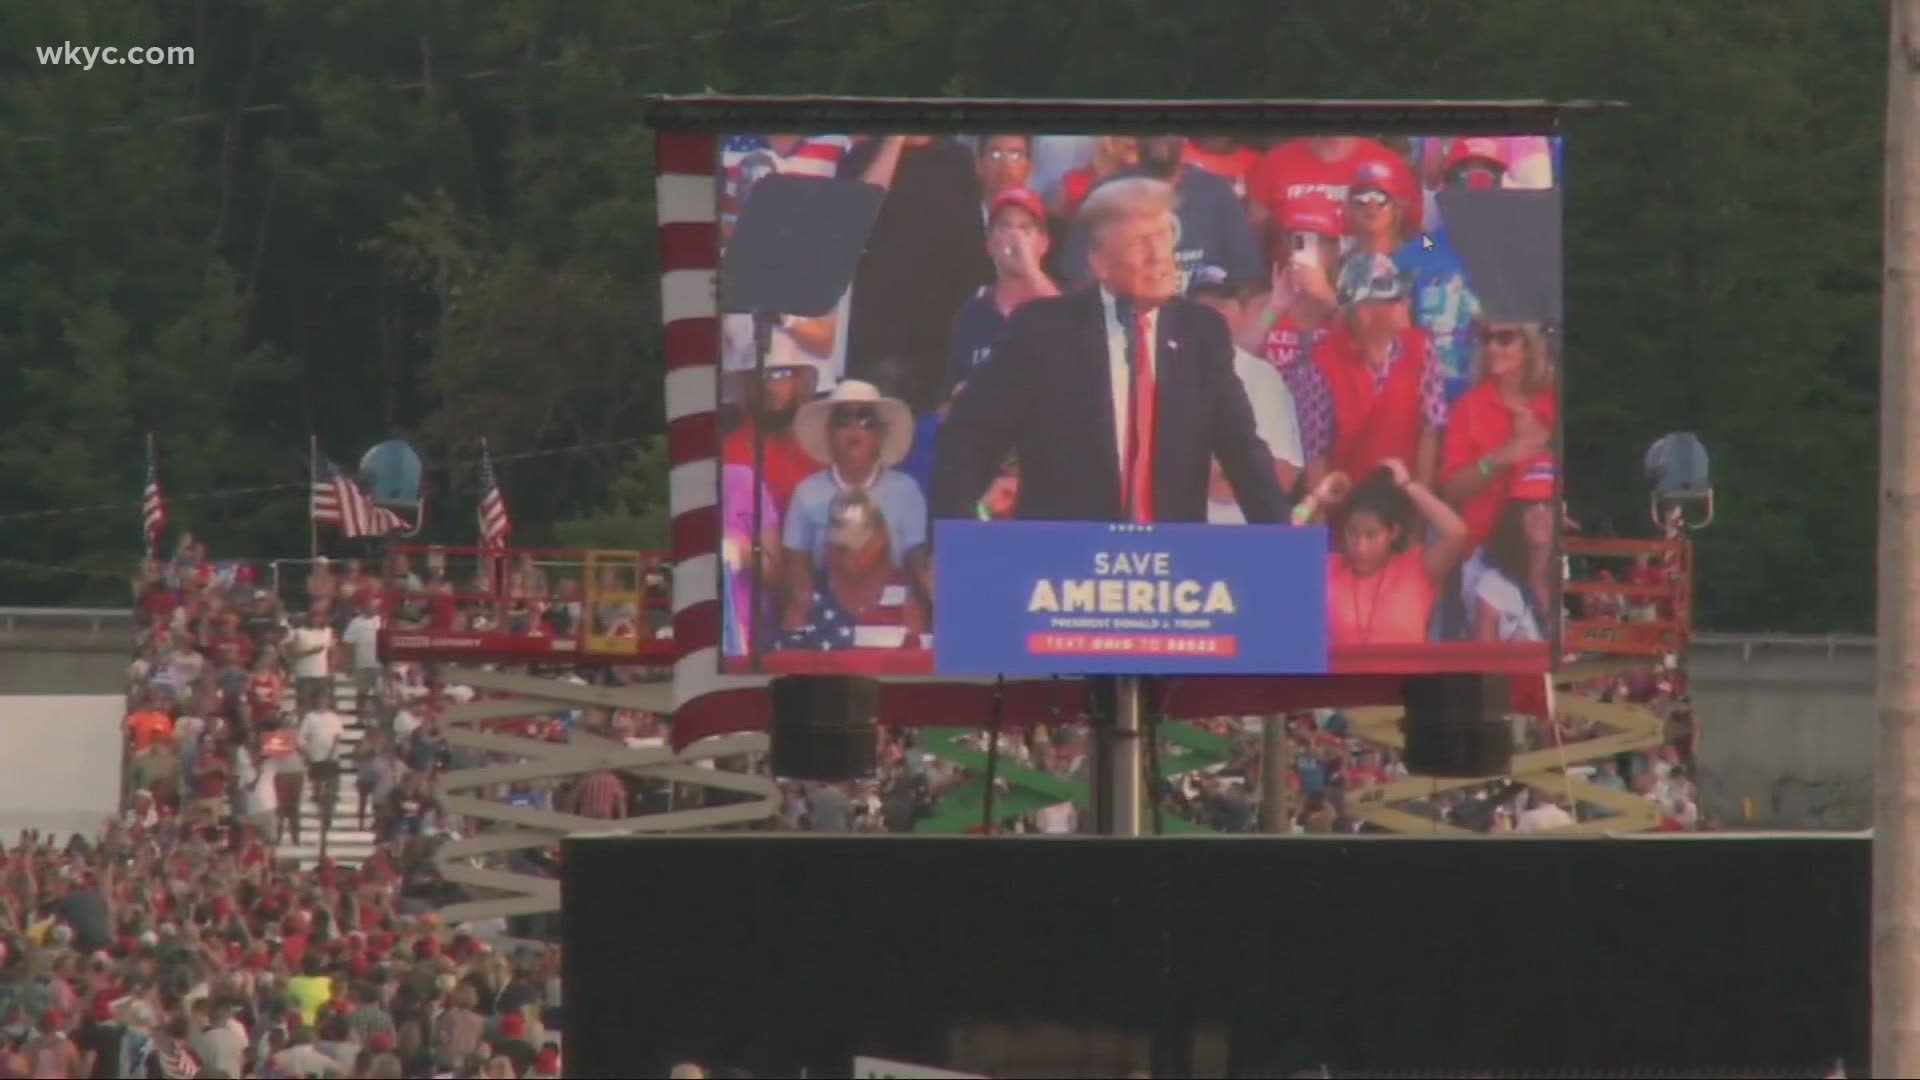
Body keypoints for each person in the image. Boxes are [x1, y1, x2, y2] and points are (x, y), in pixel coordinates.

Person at [932, 177, 1289, 525]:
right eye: (1140, 242)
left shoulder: (1202, 333)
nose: (1158, 256)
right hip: (1063, 567)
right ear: (1100, 263)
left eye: (1164, 237)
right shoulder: (1043, 330)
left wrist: (1282, 543)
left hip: (1168, 567)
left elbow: (1241, 449)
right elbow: (968, 434)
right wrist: (950, 542)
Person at [781, 381, 930, 632]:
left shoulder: (906, 490)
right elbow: (797, 573)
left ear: (880, 435)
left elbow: (917, 568)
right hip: (824, 612)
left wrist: (918, 614)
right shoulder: (806, 493)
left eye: (866, 421)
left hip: (892, 609)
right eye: (843, 421)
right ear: (829, 433)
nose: (855, 429)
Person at [1059, 135, 1263, 295]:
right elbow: (1077, 279)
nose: (1160, 138)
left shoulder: (1216, 190)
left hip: (1199, 323)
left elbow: (1246, 280)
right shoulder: (1105, 193)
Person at [1311, 252, 1448, 486]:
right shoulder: (1321, 361)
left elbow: (1430, 430)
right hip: (1345, 504)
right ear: (1364, 312)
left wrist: (1418, 510)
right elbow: (1316, 454)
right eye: (1395, 297)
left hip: (1403, 502)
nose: (1407, 301)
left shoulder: (1421, 348)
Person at [1187, 267, 1304, 523]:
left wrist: (1204, 475)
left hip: (1243, 535)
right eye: (1200, 309)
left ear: (1242, 315)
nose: (1210, 317)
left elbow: (1284, 472)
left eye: (1221, 307)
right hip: (1176, 538)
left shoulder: (1262, 378)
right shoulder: (1158, 374)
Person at [1311, 459, 1468, 648]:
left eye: (1372, 535)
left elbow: (1457, 533)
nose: (1361, 546)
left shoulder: (1417, 570)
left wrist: (1408, 486)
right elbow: (1282, 555)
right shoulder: (1331, 568)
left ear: (1393, 533)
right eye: (1353, 533)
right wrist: (1317, 497)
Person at [1438, 321, 1556, 551]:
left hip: (1545, 545)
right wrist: (1493, 462)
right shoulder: (1469, 406)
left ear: (1530, 345)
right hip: (1483, 546)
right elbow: (1452, 490)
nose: (1492, 347)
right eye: (1486, 338)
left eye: (1504, 339)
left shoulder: (1552, 400)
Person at [772, 491, 927, 653]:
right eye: (841, 549)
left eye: (858, 547)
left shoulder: (906, 595)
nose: (849, 557)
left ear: (879, 541)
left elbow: (915, 662)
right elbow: (787, 659)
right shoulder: (806, 597)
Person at [1468, 458, 1558, 644]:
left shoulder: (1577, 577)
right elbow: (1486, 667)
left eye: (1549, 504)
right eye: (1530, 504)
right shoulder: (1493, 585)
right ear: (1515, 516)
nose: (1540, 512)